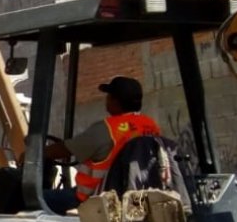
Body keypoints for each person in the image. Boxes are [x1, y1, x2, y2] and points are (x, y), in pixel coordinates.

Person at [42, 76, 161, 212]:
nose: (106, 100)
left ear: (115, 101)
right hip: (134, 195)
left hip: (95, 198)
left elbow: (66, 149)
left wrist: (38, 153)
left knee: (32, 197)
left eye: (108, 96)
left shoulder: (106, 129)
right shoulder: (150, 125)